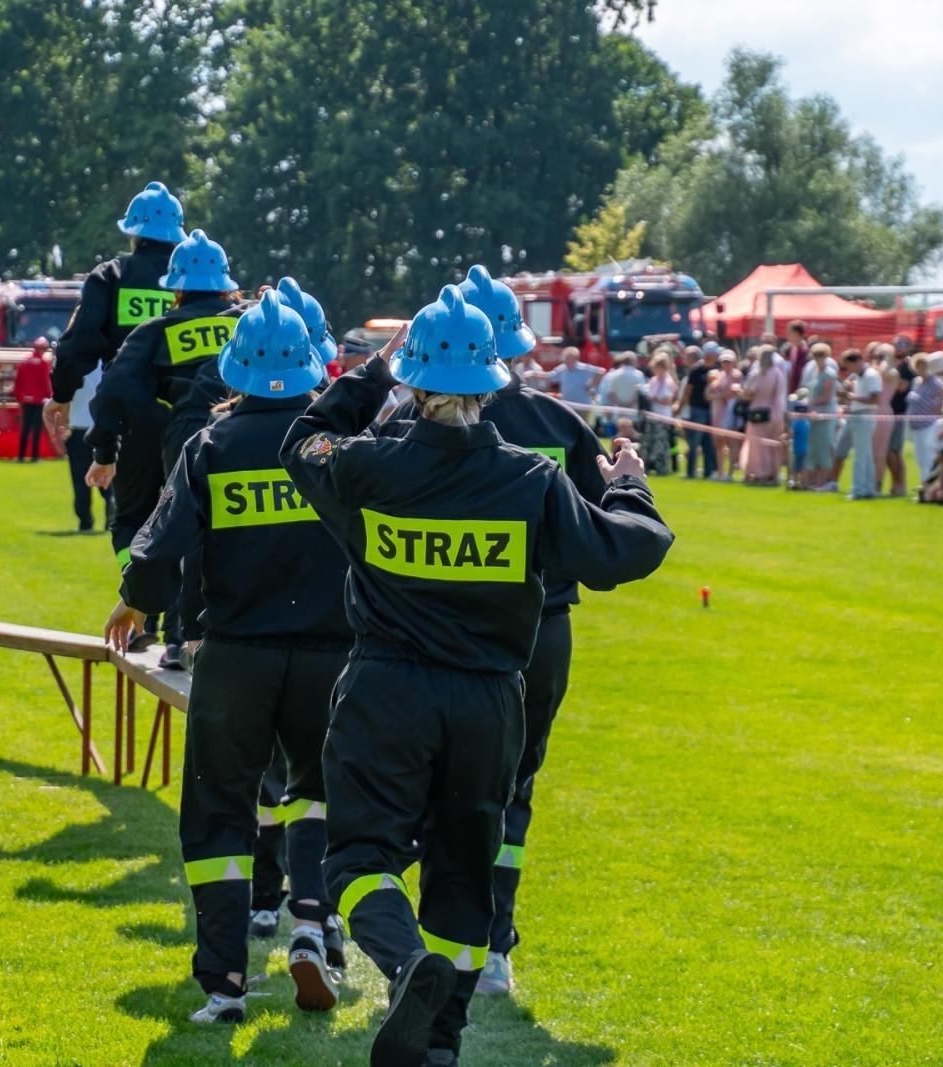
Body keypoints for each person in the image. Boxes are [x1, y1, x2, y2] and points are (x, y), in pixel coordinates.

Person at [281, 285, 673, 1067]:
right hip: (491, 698)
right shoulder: (531, 478)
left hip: (387, 688)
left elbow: (304, 438)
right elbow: (628, 548)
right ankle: (439, 1046)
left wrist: (368, 373)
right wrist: (629, 479)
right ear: (493, 381)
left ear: (413, 382)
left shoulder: (365, 468)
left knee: (359, 858)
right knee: (464, 879)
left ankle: (401, 965)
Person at [106, 290, 347, 1025]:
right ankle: (311, 921)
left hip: (236, 655)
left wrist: (134, 600)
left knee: (219, 812)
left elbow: (163, 539)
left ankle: (225, 982)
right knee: (317, 793)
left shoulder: (208, 446)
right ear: (311, 366)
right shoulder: (332, 446)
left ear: (233, 368)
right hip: (332, 655)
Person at [87, 229, 244, 656]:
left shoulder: (156, 329)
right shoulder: (247, 321)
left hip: (183, 431)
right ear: (226, 284)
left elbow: (112, 388)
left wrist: (105, 450)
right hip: (245, 429)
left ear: (175, 287)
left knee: (175, 526)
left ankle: (176, 636)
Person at [51, 180, 185, 406]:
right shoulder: (192, 283)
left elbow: (79, 344)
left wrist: (61, 395)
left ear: (134, 234)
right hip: (184, 414)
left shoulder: (110, 275)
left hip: (124, 412)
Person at [63, 364, 108, 531]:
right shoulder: (106, 366)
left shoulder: (72, 367)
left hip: (79, 429)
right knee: (106, 474)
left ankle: (85, 520)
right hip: (101, 427)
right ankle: (111, 510)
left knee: (80, 479)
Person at [739, 346, 787, 486]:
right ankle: (774, 473)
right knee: (774, 445)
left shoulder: (757, 374)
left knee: (758, 445)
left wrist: (739, 392)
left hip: (759, 412)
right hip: (777, 413)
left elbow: (749, 394)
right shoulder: (778, 373)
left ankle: (760, 473)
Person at [906, 351, 943, 483]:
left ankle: (930, 485)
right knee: (920, 458)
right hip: (916, 426)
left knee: (928, 457)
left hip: (929, 424)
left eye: (924, 366)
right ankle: (924, 484)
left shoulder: (934, 381)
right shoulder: (916, 382)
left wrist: (941, 405)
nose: (921, 369)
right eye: (919, 366)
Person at [839, 348, 880, 500]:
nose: (848, 370)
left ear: (856, 362)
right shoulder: (858, 375)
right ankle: (868, 488)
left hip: (865, 416)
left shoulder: (871, 375)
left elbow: (875, 399)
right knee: (866, 455)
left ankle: (858, 489)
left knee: (860, 456)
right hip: (858, 415)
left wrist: (852, 397)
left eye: (848, 365)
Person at [674, 343, 718, 479]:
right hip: (697, 409)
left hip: (711, 409)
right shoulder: (696, 370)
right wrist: (681, 409)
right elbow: (688, 391)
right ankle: (691, 471)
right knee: (694, 442)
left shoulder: (716, 370)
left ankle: (708, 471)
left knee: (708, 442)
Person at [799, 342, 838, 490]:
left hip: (825, 414)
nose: (818, 359)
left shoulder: (829, 373)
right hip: (813, 414)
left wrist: (809, 402)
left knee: (823, 446)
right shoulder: (813, 371)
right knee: (813, 447)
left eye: (821, 355)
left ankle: (823, 482)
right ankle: (812, 481)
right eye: (815, 355)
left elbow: (826, 397)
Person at [870, 343, 905, 496]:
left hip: (883, 412)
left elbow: (883, 373)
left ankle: (877, 485)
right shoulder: (875, 370)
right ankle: (870, 482)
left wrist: (887, 358)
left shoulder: (892, 373)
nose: (877, 359)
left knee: (880, 452)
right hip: (872, 412)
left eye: (881, 356)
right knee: (870, 452)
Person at [13, 337, 52, 462]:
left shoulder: (25, 362)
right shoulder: (43, 364)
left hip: (26, 400)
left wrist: (18, 396)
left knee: (25, 428)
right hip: (39, 401)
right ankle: (35, 456)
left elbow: (18, 381)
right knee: (37, 429)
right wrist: (50, 395)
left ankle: (21, 456)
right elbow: (45, 382)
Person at [639, 350, 676, 475]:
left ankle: (662, 468)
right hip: (652, 416)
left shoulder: (668, 381)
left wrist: (654, 399)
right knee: (648, 442)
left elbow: (668, 400)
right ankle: (646, 467)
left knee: (661, 444)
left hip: (663, 417)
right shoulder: (653, 380)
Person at [707, 348, 742, 481]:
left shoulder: (736, 375)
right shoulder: (717, 375)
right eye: (724, 361)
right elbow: (709, 394)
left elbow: (732, 393)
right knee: (719, 443)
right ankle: (721, 471)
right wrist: (718, 395)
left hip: (730, 412)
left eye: (729, 361)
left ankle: (730, 473)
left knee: (731, 441)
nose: (726, 364)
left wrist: (718, 395)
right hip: (717, 411)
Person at [783, 320, 810, 393]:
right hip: (791, 389)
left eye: (789, 333)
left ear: (797, 334)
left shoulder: (804, 351)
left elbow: (804, 372)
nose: (787, 335)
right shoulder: (791, 349)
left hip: (800, 390)